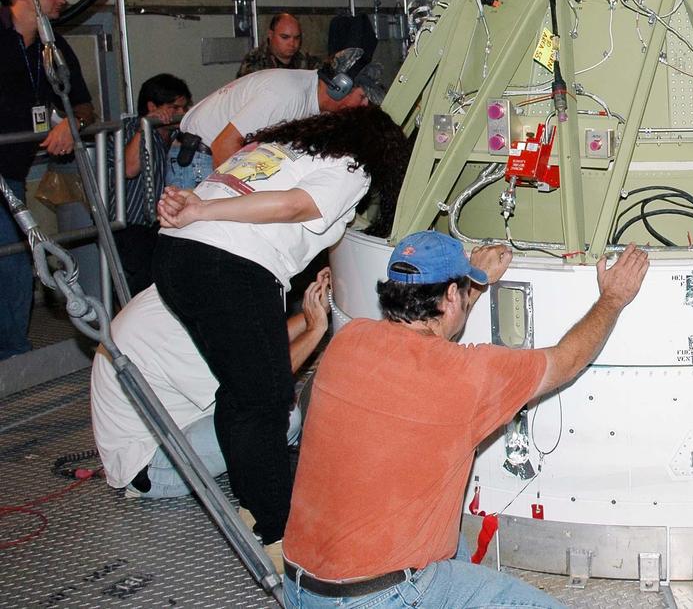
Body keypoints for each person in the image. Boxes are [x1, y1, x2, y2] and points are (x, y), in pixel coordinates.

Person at [282, 232, 650, 609]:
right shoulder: (468, 375)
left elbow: (431, 346)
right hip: (384, 596)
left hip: (299, 586)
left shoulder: (349, 341)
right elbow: (567, 359)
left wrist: (473, 287)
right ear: (451, 296)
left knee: (450, 546)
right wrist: (613, 297)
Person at [151, 106, 409, 565]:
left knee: (242, 391)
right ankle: (280, 534)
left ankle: (253, 505)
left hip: (177, 257)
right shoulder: (352, 165)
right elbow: (294, 205)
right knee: (266, 402)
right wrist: (201, 209)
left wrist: (195, 209)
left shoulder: (280, 147)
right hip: (229, 265)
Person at [90, 269, 331, 499]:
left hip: (171, 423)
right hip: (152, 464)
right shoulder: (177, 335)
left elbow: (259, 343)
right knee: (281, 420)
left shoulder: (186, 292)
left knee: (266, 409)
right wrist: (314, 331)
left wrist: (317, 312)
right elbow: (263, 383)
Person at [1, 0, 96, 360]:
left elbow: (84, 105)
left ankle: (13, 355)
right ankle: (15, 354)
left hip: (12, 174)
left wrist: (67, 124)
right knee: (15, 262)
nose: (62, 0)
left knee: (18, 261)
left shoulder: (50, 46)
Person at [168, 48, 380, 191]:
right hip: (200, 161)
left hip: (209, 156)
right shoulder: (287, 95)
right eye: (362, 97)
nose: (364, 106)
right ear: (338, 87)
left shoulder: (310, 97)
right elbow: (224, 145)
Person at [104, 74, 191, 295]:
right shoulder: (128, 128)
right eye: (175, 107)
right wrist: (145, 127)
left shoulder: (175, 134)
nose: (181, 114)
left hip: (160, 223)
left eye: (184, 107)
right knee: (144, 282)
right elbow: (129, 169)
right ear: (153, 106)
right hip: (129, 224)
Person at [237, 13, 322, 78]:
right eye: (285, 37)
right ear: (270, 35)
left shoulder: (306, 61)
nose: (292, 43)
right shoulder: (254, 61)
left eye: (296, 38)